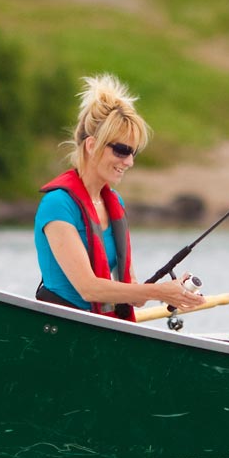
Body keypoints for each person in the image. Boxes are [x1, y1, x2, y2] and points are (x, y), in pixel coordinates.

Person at [34, 74, 205, 320]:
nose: (129, 161)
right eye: (122, 150)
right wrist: (158, 291)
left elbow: (133, 291)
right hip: (60, 326)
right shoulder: (58, 204)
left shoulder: (115, 203)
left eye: (133, 152)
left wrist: (175, 292)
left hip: (99, 328)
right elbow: (88, 287)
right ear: (92, 145)